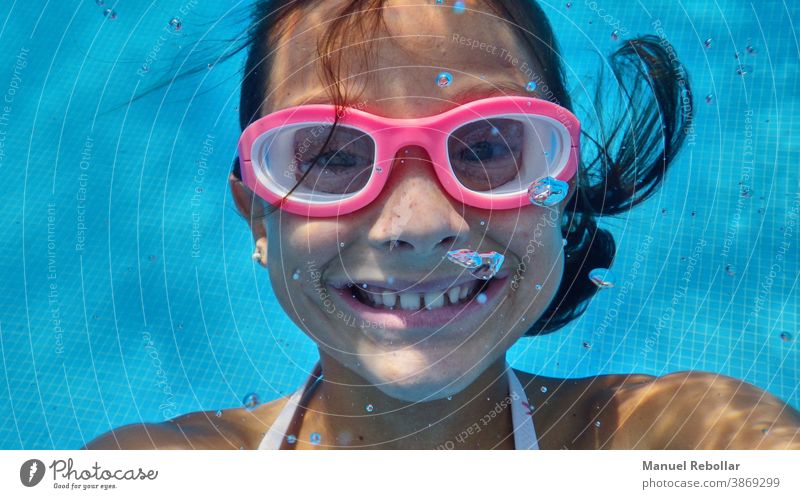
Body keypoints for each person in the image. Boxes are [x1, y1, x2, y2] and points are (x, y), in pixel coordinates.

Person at [84, 0, 800, 450]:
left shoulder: (687, 441)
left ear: (557, 190)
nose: (420, 223)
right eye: (332, 154)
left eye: (487, 146)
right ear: (259, 217)